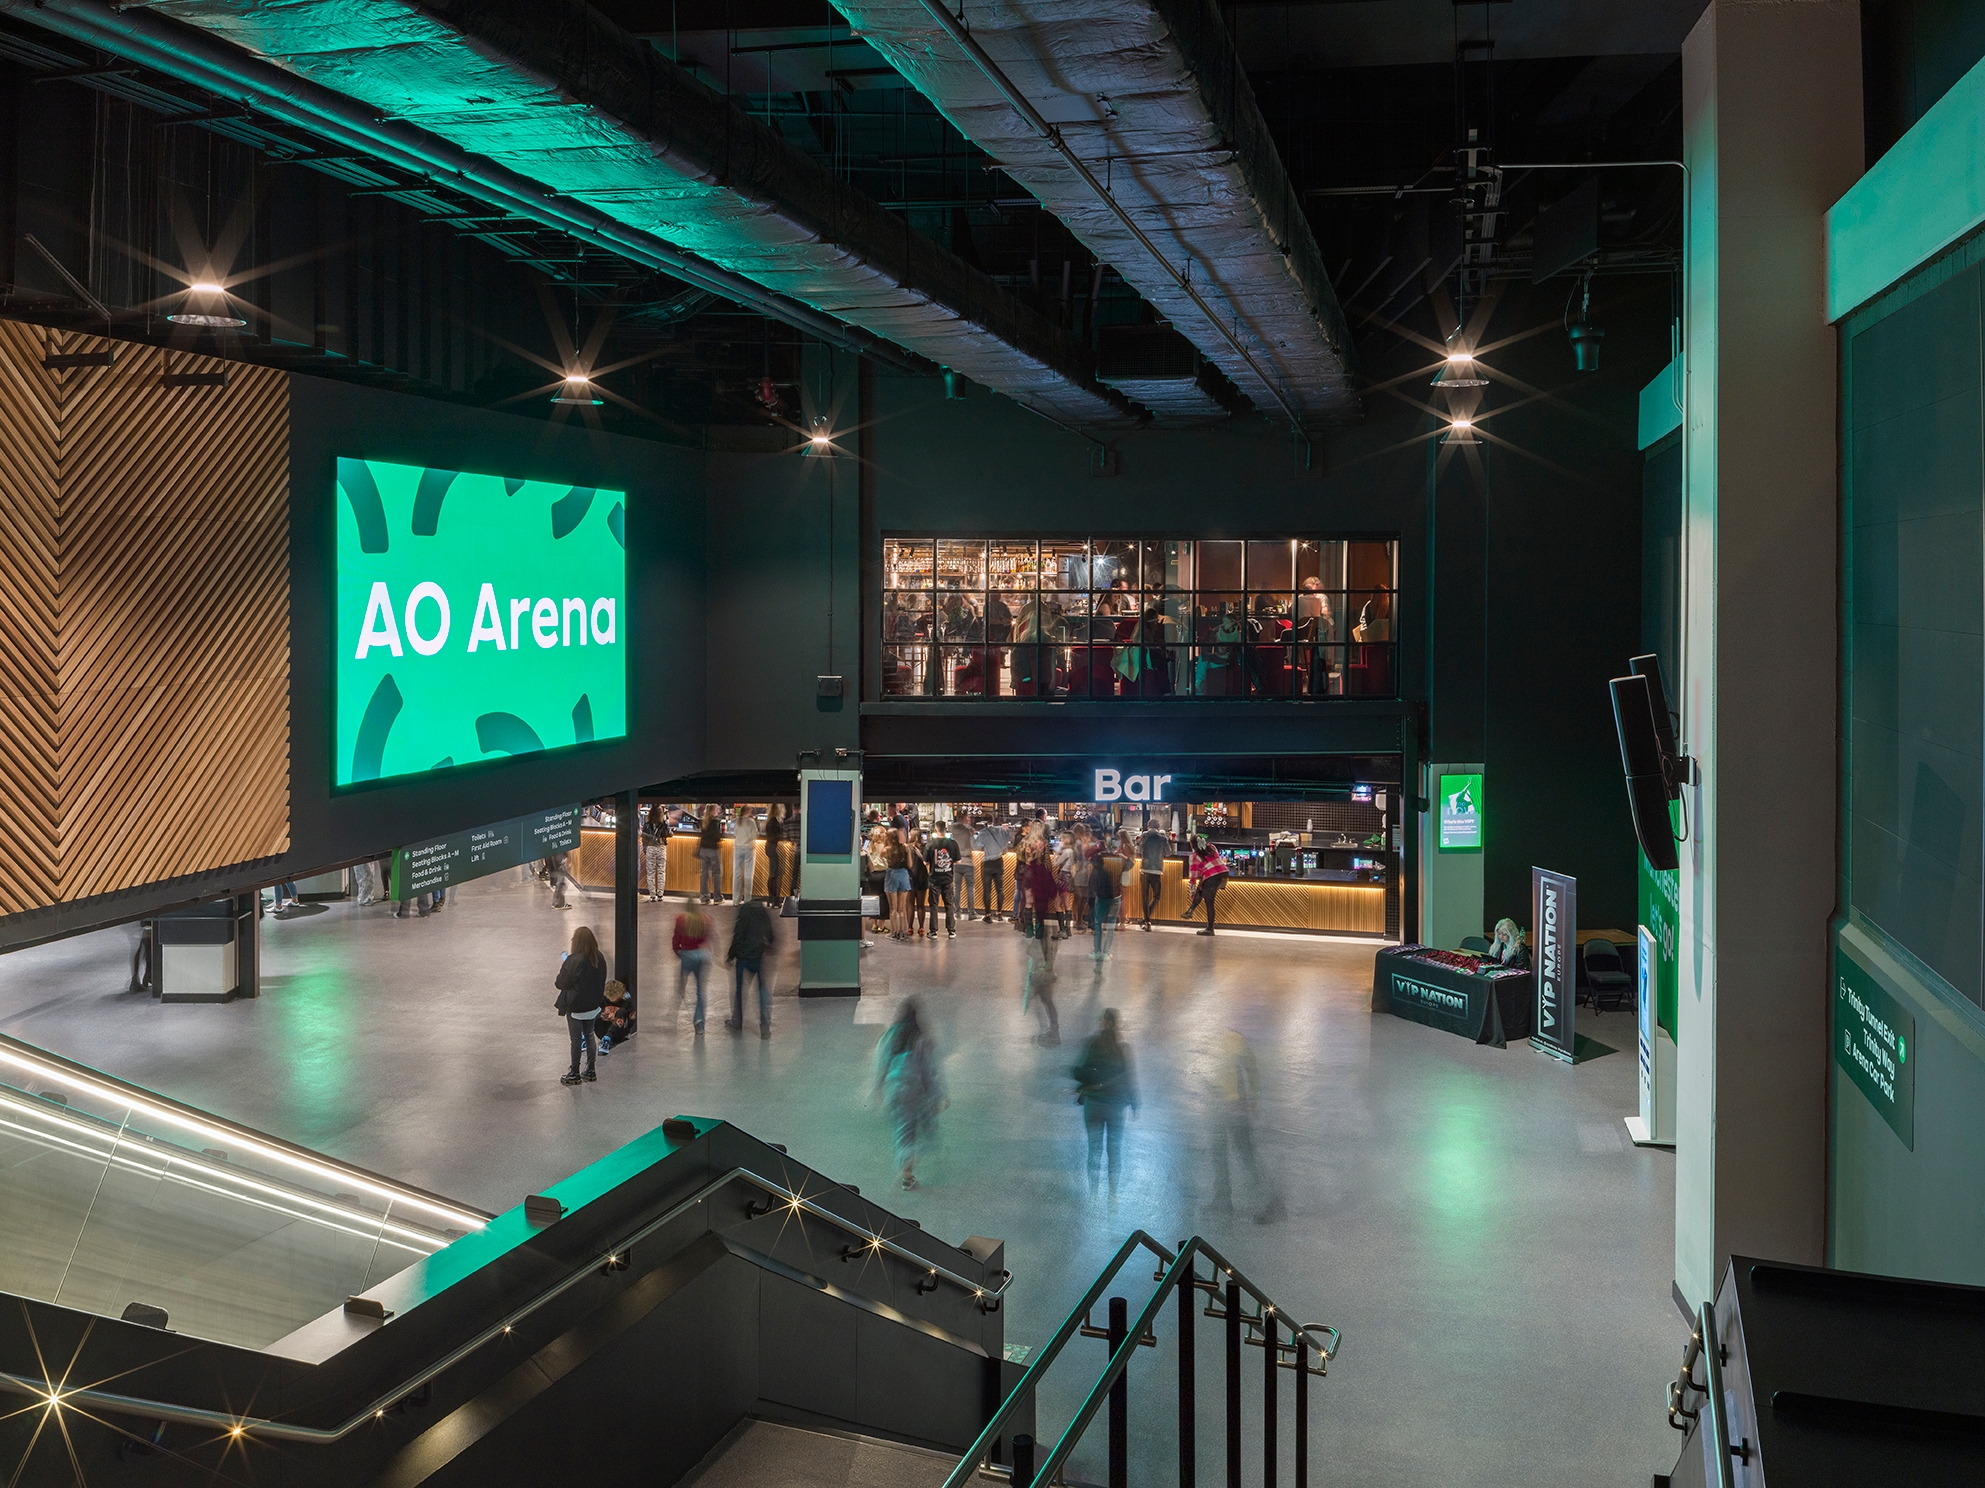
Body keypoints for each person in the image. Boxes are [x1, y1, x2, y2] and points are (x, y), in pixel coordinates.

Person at [1211, 1028, 1285, 1223]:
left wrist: (1252, 1099)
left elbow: (1251, 1070)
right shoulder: (1212, 1040)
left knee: (1245, 1156)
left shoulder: (1233, 1040)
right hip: (1218, 1108)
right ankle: (1223, 1200)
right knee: (1219, 1155)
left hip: (1235, 1107)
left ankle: (1272, 1203)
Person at [873, 999, 945, 1190]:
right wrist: (938, 1096)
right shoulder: (921, 1039)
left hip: (894, 1089)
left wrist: (878, 1088)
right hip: (914, 1090)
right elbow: (929, 1070)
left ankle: (907, 1170)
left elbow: (881, 1062)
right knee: (926, 1131)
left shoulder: (889, 1035)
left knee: (903, 1131)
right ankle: (909, 1168)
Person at [1072, 1009, 1137, 1197]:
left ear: (1104, 1023)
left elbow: (1080, 1072)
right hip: (1115, 1106)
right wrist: (1134, 1102)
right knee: (1113, 1150)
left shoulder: (1093, 1044)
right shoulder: (1122, 1049)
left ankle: (1093, 1192)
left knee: (1094, 1149)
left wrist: (1078, 1075)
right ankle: (1113, 1193)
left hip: (1094, 1104)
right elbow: (1129, 1078)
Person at [1018, 843, 1061, 1044]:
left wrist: (1026, 929)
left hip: (1037, 930)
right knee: (1043, 998)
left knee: (1043, 997)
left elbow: (1027, 901)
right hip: (1043, 929)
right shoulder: (1042, 871)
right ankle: (1051, 1031)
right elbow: (1052, 891)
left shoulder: (1029, 872)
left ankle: (1052, 1032)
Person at [553, 926, 608, 1086]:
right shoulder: (599, 957)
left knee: (576, 1040)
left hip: (576, 1007)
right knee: (589, 1035)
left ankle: (574, 1073)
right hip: (593, 1005)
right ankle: (591, 1070)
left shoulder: (573, 960)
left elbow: (560, 983)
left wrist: (564, 966)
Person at [726, 895, 777, 1037]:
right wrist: (771, 943)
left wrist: (730, 956)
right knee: (762, 990)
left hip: (743, 957)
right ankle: (765, 1026)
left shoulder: (743, 912)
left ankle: (737, 1021)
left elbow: (737, 935)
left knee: (739, 990)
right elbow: (770, 931)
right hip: (758, 955)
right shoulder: (762, 913)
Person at [673, 903, 713, 1032]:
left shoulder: (681, 919)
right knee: (700, 990)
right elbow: (708, 938)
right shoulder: (705, 919)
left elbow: (676, 939)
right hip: (701, 956)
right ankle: (699, 1021)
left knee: (681, 982)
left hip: (686, 955)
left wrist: (677, 951)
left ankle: (675, 1011)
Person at [1185, 837, 1230, 936]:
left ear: (1192, 845)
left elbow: (1192, 876)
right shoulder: (1212, 847)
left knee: (1209, 903)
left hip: (1212, 876)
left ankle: (1210, 929)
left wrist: (1191, 892)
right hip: (1224, 873)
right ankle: (1191, 909)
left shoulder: (1194, 856)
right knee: (1202, 886)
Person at [1090, 837, 1122, 963]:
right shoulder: (1117, 860)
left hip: (1101, 896)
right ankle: (1107, 952)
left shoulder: (1098, 862)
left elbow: (1089, 857)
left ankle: (1097, 951)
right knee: (1111, 924)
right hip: (1115, 896)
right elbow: (1130, 863)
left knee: (1098, 923)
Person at [976, 818, 1011, 921]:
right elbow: (1006, 846)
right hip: (998, 862)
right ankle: (999, 914)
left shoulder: (983, 832)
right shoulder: (1003, 830)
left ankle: (987, 915)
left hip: (987, 863)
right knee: (999, 889)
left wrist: (985, 847)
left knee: (987, 890)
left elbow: (976, 846)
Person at [926, 826, 958, 938]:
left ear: (935, 830)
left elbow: (925, 862)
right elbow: (958, 860)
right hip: (948, 878)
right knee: (949, 905)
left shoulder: (930, 844)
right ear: (945, 829)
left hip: (934, 879)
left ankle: (933, 931)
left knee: (933, 906)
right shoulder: (953, 844)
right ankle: (951, 931)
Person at [1138, 821, 1169, 930]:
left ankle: (1147, 921)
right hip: (1157, 870)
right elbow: (1169, 853)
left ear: (1148, 826)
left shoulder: (1144, 836)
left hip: (1145, 869)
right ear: (1159, 827)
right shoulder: (1163, 838)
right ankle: (1146, 919)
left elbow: (1138, 849)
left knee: (1145, 897)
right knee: (1157, 896)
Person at [884, 827, 913, 941]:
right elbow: (910, 865)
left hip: (892, 875)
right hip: (904, 875)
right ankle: (903, 932)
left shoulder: (886, 849)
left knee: (893, 907)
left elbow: (880, 857)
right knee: (902, 908)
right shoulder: (905, 848)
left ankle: (894, 932)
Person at [596, 978, 633, 1053]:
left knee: (621, 1011)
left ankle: (607, 1039)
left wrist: (615, 1018)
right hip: (603, 1030)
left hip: (619, 1031)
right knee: (594, 1012)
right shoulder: (604, 998)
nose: (610, 1000)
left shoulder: (627, 1000)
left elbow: (631, 1020)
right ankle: (585, 1038)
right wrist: (603, 1015)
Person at [732, 805, 760, 904]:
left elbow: (735, 833)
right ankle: (747, 899)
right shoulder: (751, 822)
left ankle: (736, 900)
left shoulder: (737, 821)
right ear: (748, 811)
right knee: (748, 874)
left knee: (737, 873)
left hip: (738, 847)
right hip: (749, 848)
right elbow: (754, 835)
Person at [908, 829, 931, 938]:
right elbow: (928, 861)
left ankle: (909, 927)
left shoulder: (907, 847)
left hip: (910, 877)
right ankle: (921, 927)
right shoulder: (925, 847)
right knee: (921, 905)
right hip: (922, 877)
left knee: (910, 904)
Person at [952, 819, 978, 920]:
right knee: (970, 888)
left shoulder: (953, 829)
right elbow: (975, 846)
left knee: (957, 888)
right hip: (968, 863)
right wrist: (971, 836)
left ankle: (957, 911)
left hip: (956, 862)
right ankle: (971, 912)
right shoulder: (969, 831)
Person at [642, 804, 668, 902]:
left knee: (650, 872)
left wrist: (645, 848)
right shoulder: (663, 824)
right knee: (661, 871)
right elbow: (667, 834)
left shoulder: (647, 824)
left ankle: (652, 895)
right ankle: (660, 894)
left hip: (650, 848)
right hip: (660, 847)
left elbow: (644, 838)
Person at [764, 803, 789, 904]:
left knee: (773, 873)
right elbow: (777, 836)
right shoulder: (774, 822)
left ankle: (771, 897)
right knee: (775, 873)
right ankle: (774, 899)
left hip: (769, 846)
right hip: (774, 847)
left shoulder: (769, 821)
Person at [698, 810, 723, 904]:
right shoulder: (715, 822)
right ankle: (717, 898)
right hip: (713, 849)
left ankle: (704, 898)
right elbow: (717, 836)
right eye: (716, 809)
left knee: (704, 874)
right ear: (713, 811)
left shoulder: (703, 821)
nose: (718, 811)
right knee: (716, 874)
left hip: (703, 849)